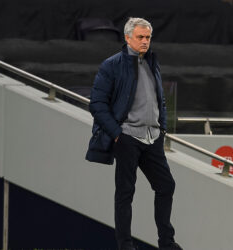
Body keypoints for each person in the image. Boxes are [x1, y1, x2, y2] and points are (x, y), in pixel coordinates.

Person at [86, 17, 182, 250]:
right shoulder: (112, 65)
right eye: (140, 37)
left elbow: (160, 100)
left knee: (166, 185)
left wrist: (162, 128)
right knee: (125, 193)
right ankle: (125, 245)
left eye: (148, 37)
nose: (145, 41)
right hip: (127, 137)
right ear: (127, 37)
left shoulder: (152, 62)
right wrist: (117, 133)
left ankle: (166, 243)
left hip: (152, 138)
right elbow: (97, 103)